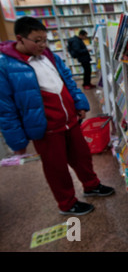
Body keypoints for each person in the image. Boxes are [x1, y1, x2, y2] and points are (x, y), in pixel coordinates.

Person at [0, 16, 114, 216]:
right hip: (45, 128)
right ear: (20, 38)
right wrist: (17, 142)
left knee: (82, 156)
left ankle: (91, 185)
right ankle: (67, 203)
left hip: (70, 120)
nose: (42, 45)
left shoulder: (48, 56)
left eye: (45, 40)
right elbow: (5, 107)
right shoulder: (6, 66)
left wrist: (79, 103)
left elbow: (68, 80)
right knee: (57, 168)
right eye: (37, 40)